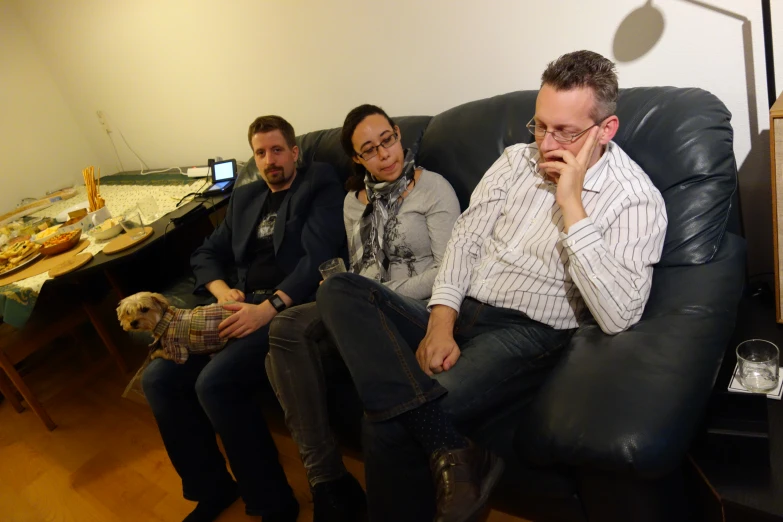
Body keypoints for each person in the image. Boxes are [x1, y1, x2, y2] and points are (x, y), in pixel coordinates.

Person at [317, 50, 669, 521]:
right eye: (540, 125)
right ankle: (454, 449)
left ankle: (440, 445)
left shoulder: (636, 200)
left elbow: (620, 315)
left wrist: (572, 205)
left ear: (605, 130)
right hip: (461, 307)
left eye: (565, 131)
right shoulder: (512, 161)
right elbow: (465, 238)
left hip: (526, 332)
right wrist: (441, 318)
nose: (545, 144)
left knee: (389, 427)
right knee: (340, 290)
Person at [142, 115, 346, 522]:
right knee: (158, 379)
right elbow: (204, 253)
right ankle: (212, 488)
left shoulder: (318, 182)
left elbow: (320, 255)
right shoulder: (246, 196)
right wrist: (221, 291)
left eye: (277, 150)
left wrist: (268, 307)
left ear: (294, 152)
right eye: (260, 152)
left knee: (215, 383)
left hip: (284, 307)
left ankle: (271, 502)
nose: (269, 160)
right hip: (233, 306)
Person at [265, 104, 461, 522]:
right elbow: (358, 266)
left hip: (414, 308)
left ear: (398, 134)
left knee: (332, 296)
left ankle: (330, 486)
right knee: (282, 334)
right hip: (362, 301)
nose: (384, 155)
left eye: (387, 141)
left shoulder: (434, 188)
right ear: (357, 158)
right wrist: (353, 290)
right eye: (369, 150)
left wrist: (372, 292)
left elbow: (450, 271)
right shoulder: (354, 202)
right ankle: (328, 482)